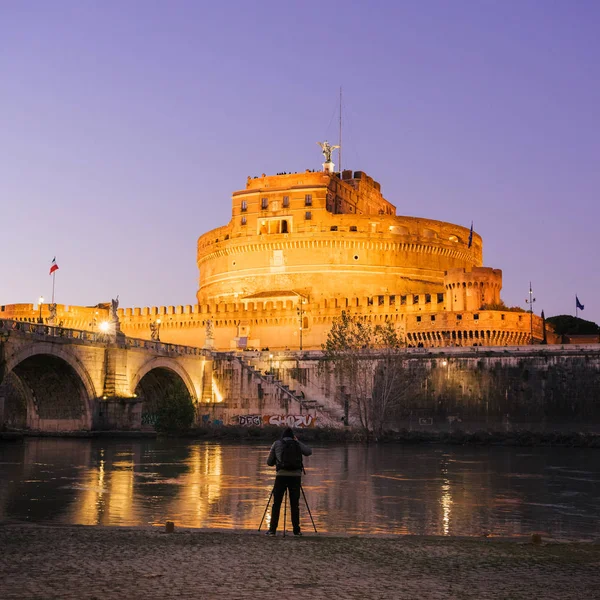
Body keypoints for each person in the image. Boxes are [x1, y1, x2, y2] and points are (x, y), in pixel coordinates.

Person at [265, 427, 312, 536]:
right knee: (294, 504)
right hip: (295, 477)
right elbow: (309, 452)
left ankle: (272, 530)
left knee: (276, 503)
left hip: (281, 476)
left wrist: (277, 461)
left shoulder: (277, 443)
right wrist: (297, 441)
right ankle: (296, 530)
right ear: (292, 436)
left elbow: (269, 462)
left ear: (282, 436)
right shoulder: (296, 443)